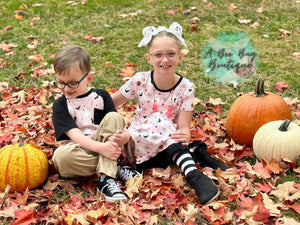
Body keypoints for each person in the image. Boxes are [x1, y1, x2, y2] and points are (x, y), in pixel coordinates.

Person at [111, 22, 228, 205]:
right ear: (149, 58)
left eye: (171, 54)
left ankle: (194, 176)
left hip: (168, 147)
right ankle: (198, 158)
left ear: (180, 57)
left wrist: (185, 133)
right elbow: (111, 103)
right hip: (139, 144)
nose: (164, 60)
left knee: (166, 125)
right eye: (158, 55)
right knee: (157, 118)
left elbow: (183, 128)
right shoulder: (140, 81)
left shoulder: (186, 88)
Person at [52, 45, 140, 203]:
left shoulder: (102, 96)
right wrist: (102, 150)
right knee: (60, 158)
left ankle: (105, 179)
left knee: (114, 116)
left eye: (72, 83)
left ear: (89, 78)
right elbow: (75, 135)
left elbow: (114, 125)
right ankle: (116, 168)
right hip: (80, 149)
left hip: (104, 141)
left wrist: (125, 136)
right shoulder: (61, 105)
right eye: (60, 83)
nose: (66, 89)